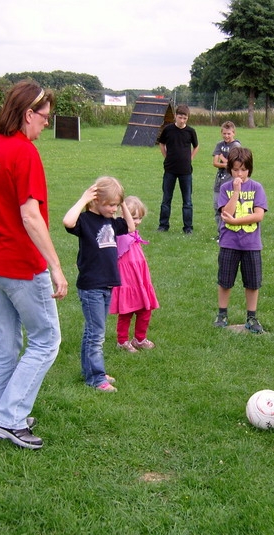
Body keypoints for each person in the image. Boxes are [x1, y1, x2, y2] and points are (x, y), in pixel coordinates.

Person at [0, 82, 68, 450]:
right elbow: (30, 215)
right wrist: (55, 267)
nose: (46, 124)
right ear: (28, 114)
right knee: (46, 340)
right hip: (17, 265)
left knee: (4, 342)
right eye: (44, 117)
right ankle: (10, 419)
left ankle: (0, 415)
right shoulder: (23, 152)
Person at [63, 177, 135, 392]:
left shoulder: (111, 221)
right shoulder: (85, 220)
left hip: (106, 285)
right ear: (95, 201)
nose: (113, 209)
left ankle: (91, 371)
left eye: (116, 205)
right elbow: (68, 221)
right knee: (96, 334)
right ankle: (95, 378)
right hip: (91, 285)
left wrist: (121, 202)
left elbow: (130, 227)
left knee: (93, 331)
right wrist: (84, 198)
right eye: (109, 204)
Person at [213, 147, 268, 334]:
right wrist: (236, 191)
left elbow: (258, 215)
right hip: (229, 242)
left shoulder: (257, 188)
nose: (239, 174)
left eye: (243, 170)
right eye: (236, 169)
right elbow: (226, 213)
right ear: (230, 170)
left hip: (251, 244)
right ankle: (222, 314)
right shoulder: (225, 188)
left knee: (252, 282)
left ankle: (252, 317)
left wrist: (236, 221)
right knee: (225, 280)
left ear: (249, 170)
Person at [110, 196, 160, 353]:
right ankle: (122, 341)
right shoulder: (118, 236)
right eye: (133, 218)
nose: (137, 221)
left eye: (139, 218)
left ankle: (139, 339)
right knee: (126, 312)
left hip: (140, 280)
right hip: (126, 282)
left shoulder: (133, 235)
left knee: (145, 309)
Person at [157, 104, 199, 234]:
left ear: (188, 118)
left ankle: (188, 228)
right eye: (180, 117)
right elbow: (161, 143)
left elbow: (196, 146)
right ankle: (163, 225)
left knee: (187, 201)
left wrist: (190, 158)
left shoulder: (190, 131)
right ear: (175, 116)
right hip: (170, 169)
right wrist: (166, 156)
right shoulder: (168, 129)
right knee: (166, 199)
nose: (182, 120)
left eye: (185, 118)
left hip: (185, 171)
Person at [212, 121, 242, 237]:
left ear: (233, 133)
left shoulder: (236, 146)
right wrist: (226, 162)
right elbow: (215, 163)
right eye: (224, 133)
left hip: (231, 182)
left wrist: (223, 160)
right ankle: (220, 232)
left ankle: (229, 231)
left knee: (230, 208)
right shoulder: (220, 144)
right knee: (217, 207)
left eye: (229, 134)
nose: (226, 136)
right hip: (219, 181)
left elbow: (235, 164)